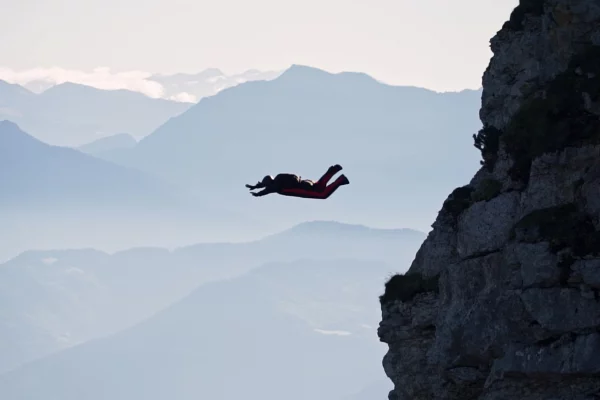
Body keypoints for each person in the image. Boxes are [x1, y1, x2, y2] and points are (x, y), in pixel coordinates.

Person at [245, 164, 350, 199]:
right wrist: (256, 186)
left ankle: (340, 180)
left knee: (322, 195)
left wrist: (258, 194)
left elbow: (268, 189)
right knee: (319, 186)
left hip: (304, 189)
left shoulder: (277, 186)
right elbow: (266, 185)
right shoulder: (278, 178)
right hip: (306, 182)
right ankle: (331, 172)